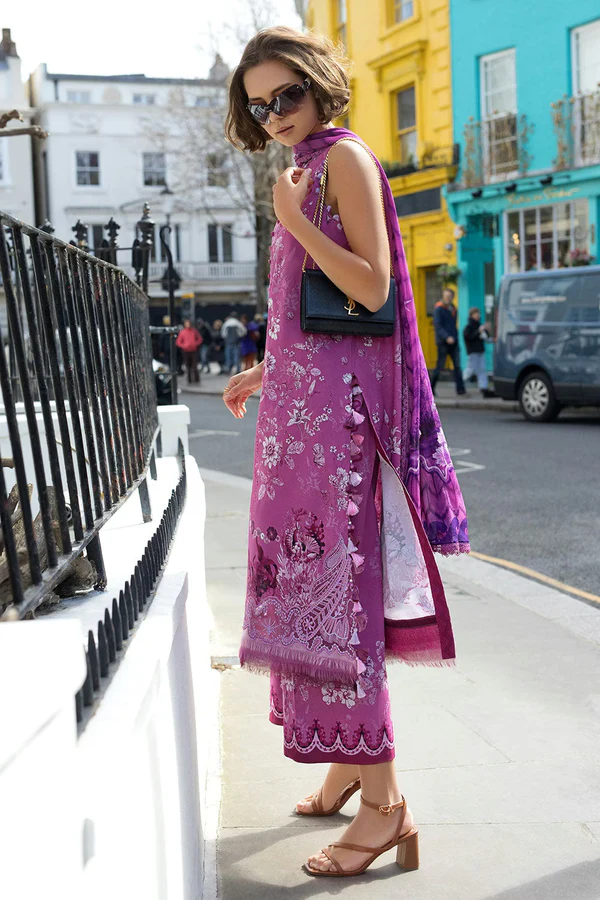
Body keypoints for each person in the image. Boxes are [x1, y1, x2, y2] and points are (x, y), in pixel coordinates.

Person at [222, 26, 469, 878]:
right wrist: (267, 368)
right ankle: (345, 764)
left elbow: (371, 286)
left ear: (319, 84)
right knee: (302, 595)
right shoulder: (305, 166)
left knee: (338, 607)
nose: (274, 116)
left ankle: (385, 805)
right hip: (300, 426)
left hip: (336, 440)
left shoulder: (345, 161)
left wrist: (293, 219)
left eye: (286, 96)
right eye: (259, 106)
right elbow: (319, 313)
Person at [429, 288, 467, 396]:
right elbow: (438, 326)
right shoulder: (439, 309)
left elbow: (453, 325)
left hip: (454, 341)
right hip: (443, 342)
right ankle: (430, 390)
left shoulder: (453, 308)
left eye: (449, 296)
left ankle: (460, 390)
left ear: (452, 297)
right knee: (440, 366)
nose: (447, 298)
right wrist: (446, 337)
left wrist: (454, 337)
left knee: (457, 365)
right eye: (446, 296)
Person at [463, 307, 496, 398]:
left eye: (478, 313)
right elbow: (468, 337)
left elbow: (485, 337)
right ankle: (461, 384)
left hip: (480, 351)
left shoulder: (479, 325)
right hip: (473, 352)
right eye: (476, 314)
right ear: (471, 315)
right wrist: (478, 332)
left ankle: (484, 388)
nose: (478, 315)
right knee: (470, 370)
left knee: (482, 370)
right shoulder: (469, 327)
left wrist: (489, 334)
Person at [175, 318, 202, 384]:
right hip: (186, 351)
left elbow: (200, 339)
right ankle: (189, 379)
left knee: (194, 365)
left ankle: (196, 379)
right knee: (188, 366)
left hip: (193, 350)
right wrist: (184, 346)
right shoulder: (182, 332)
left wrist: (195, 344)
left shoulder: (194, 331)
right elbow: (178, 342)